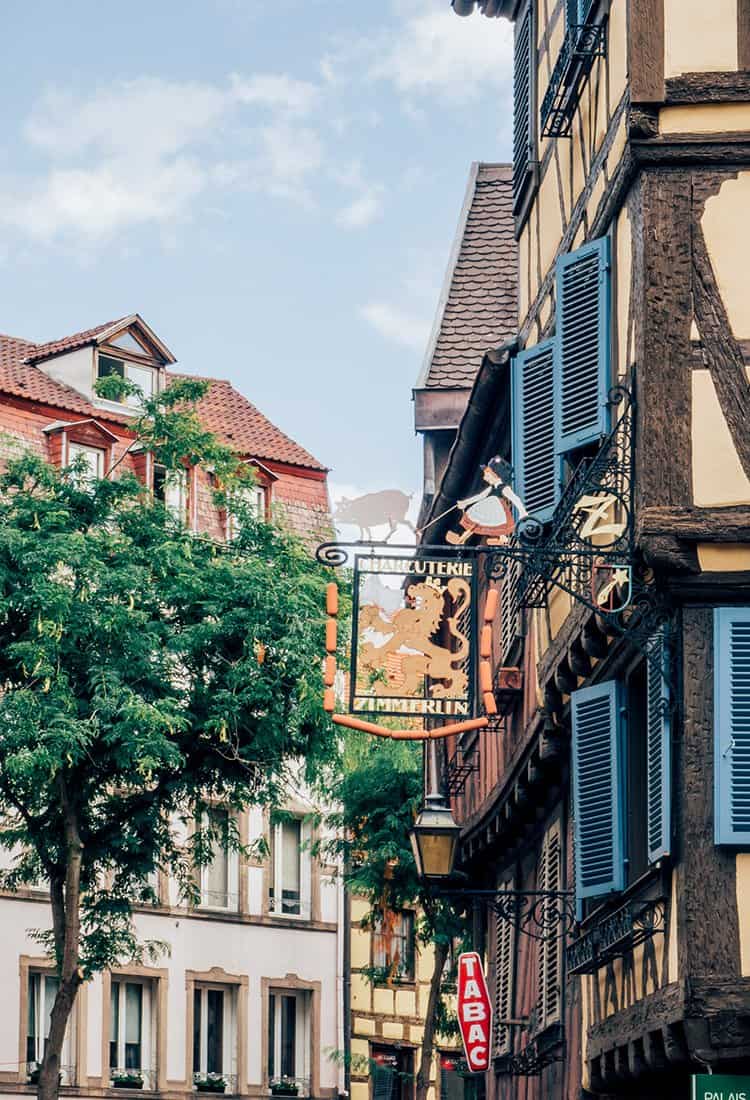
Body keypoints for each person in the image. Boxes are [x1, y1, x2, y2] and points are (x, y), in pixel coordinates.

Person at [445, 456, 527, 546]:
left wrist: (523, 513)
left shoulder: (503, 488)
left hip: (497, 511)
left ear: (495, 475)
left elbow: (515, 499)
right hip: (490, 510)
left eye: (487, 474)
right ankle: (462, 539)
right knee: (478, 522)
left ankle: (501, 539)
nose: (484, 477)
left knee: (479, 521)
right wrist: (465, 503)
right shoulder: (492, 488)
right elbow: (480, 496)